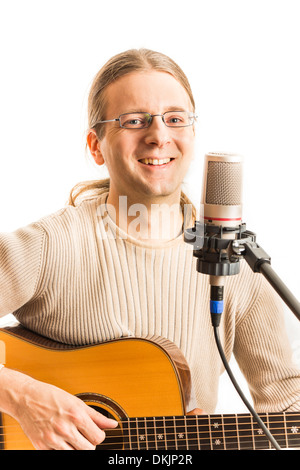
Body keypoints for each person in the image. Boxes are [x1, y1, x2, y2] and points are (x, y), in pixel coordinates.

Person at [0, 48, 299, 451]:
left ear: (191, 135)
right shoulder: (50, 245)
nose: (159, 136)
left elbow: (284, 404)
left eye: (175, 119)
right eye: (134, 121)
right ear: (96, 146)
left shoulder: (238, 264)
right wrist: (20, 397)